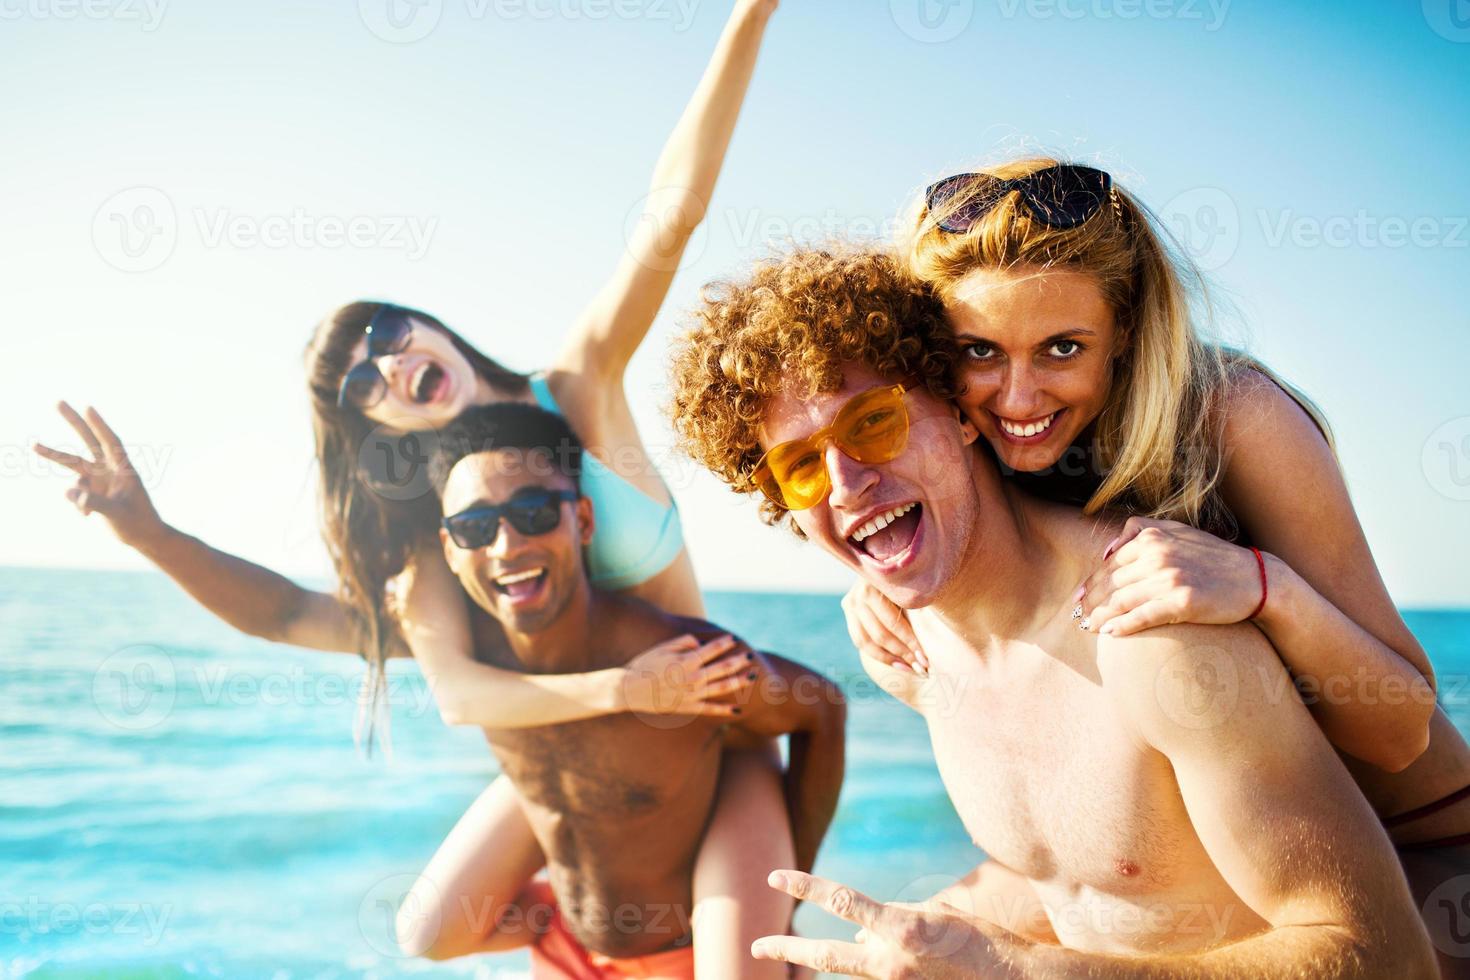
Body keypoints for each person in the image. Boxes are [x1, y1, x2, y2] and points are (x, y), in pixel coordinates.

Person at [31, 1, 801, 969]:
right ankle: (579, 918)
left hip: (708, 731)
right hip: (582, 766)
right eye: (363, 381)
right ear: (376, 425)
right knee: (427, 931)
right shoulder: (454, 534)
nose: (389, 364)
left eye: (388, 332)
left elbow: (671, 214)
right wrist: (148, 530)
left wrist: (749, 15)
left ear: (428, 325)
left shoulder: (579, 386)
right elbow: (289, 614)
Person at [668, 245, 1438, 976]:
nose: (845, 483)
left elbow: (1390, 957)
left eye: (874, 423)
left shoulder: (1158, 640)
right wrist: (920, 935)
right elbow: (1087, 879)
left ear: (963, 410)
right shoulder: (917, 650)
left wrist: (1018, 973)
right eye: (800, 467)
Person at [426, 402, 846, 978]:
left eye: (533, 513)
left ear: (583, 520)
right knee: (424, 933)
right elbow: (295, 615)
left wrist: (785, 893)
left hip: (689, 951)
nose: (505, 546)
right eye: (475, 527)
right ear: (450, 549)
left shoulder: (679, 663)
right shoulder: (472, 655)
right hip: (573, 950)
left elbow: (821, 706)